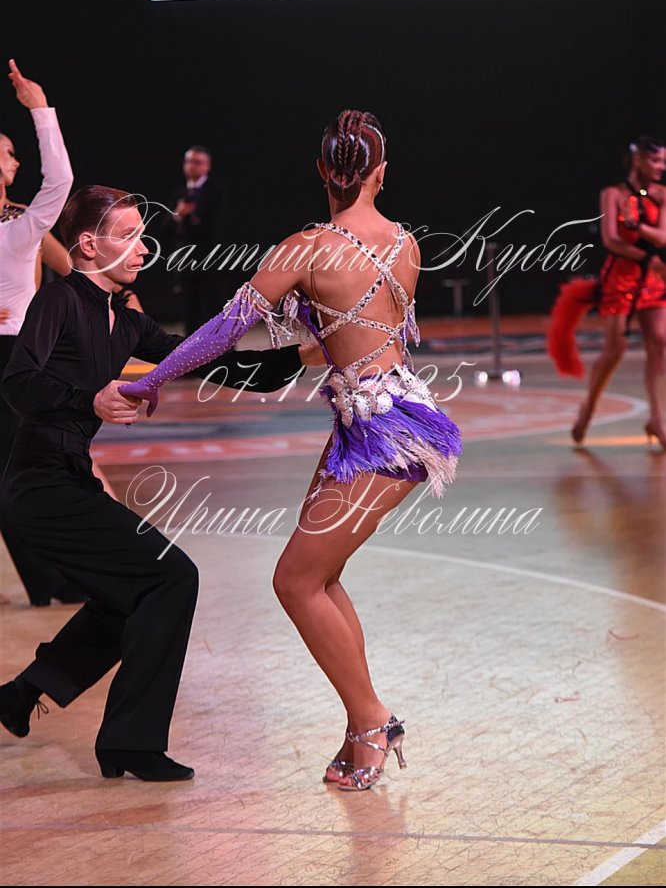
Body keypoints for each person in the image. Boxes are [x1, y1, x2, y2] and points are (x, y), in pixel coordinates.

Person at [119, 110, 464, 791]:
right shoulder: (406, 244)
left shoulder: (305, 248)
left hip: (381, 432)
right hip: (387, 419)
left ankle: (372, 721)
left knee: (295, 581)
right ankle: (364, 723)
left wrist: (153, 377)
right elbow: (358, 336)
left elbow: (223, 330)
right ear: (381, 172)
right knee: (321, 579)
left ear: (321, 170)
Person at [0, 184, 319, 781]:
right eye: (127, 236)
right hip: (37, 485)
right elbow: (18, 382)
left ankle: (23, 694)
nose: (143, 248)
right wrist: (88, 398)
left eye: (142, 236)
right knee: (172, 578)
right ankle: (130, 742)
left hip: (67, 480)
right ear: (88, 245)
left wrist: (301, 357)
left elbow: (206, 360)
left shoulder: (126, 321)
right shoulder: (59, 300)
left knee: (134, 594)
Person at [0, 58, 82, 606]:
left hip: (20, 358)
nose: (15, 160)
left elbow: (60, 182)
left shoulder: (21, 223)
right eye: (7, 152)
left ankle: (53, 579)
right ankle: (50, 580)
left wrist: (41, 111)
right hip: (16, 357)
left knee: (28, 470)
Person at [548, 136, 666, 448]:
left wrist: (637, 227)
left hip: (652, 278)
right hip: (620, 279)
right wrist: (644, 254)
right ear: (638, 159)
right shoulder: (612, 194)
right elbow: (611, 240)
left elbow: (662, 237)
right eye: (656, 161)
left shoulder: (662, 195)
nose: (661, 167)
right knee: (615, 350)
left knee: (660, 342)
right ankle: (588, 407)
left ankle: (658, 419)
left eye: (663, 162)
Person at [164, 145, 237, 335]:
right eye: (189, 161)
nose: (192, 166)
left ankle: (225, 351)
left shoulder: (217, 193)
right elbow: (166, 228)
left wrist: (191, 220)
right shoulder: (179, 194)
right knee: (190, 314)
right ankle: (193, 352)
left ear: (207, 166)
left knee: (216, 312)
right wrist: (179, 216)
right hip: (187, 264)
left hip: (211, 263)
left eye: (197, 162)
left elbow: (218, 227)